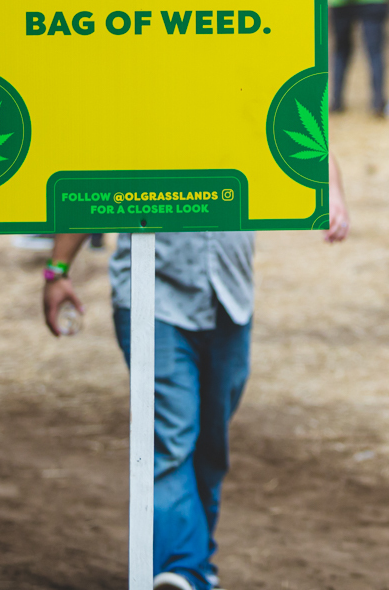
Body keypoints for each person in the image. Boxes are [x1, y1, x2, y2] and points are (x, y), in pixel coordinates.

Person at [42, 158, 350, 590]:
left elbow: (308, 123)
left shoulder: (243, 90)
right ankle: (184, 569)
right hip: (152, 295)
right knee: (171, 439)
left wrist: (329, 192)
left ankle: (193, 565)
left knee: (210, 446)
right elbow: (94, 169)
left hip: (230, 295)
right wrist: (56, 271)